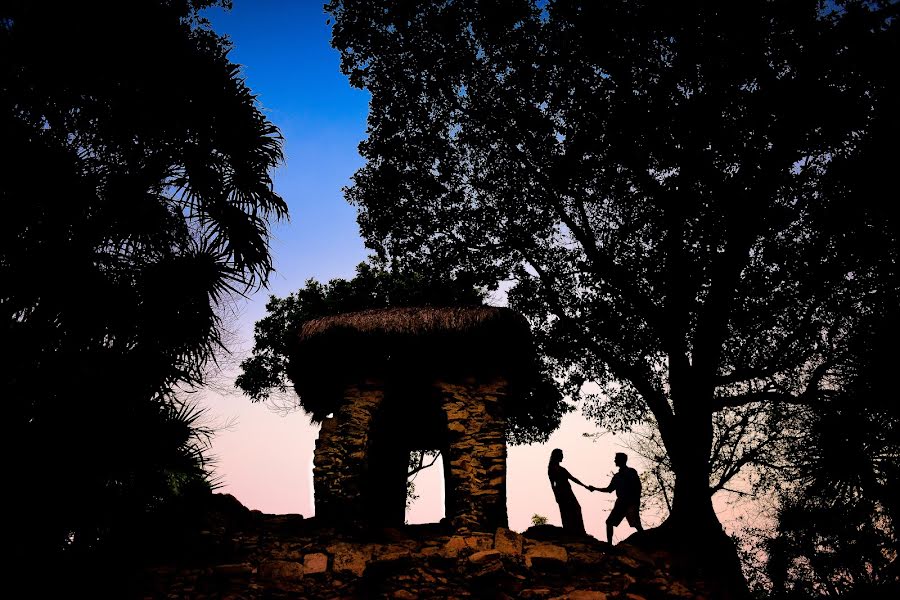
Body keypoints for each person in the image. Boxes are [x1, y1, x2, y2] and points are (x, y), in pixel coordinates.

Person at [590, 452, 643, 543]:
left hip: (631, 502)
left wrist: (635, 501)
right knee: (609, 522)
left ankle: (645, 540)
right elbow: (609, 489)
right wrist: (595, 488)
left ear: (621, 460)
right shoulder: (616, 476)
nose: (614, 460)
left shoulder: (631, 471)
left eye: (616, 459)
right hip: (620, 503)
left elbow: (638, 486)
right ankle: (609, 544)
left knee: (635, 523)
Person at [547, 448, 589, 535]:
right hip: (563, 493)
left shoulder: (561, 469)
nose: (563, 456)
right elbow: (552, 484)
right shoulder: (552, 468)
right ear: (557, 456)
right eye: (561, 454)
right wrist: (556, 495)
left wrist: (585, 486)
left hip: (567, 491)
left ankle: (578, 531)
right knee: (569, 511)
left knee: (574, 509)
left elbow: (573, 478)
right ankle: (574, 531)